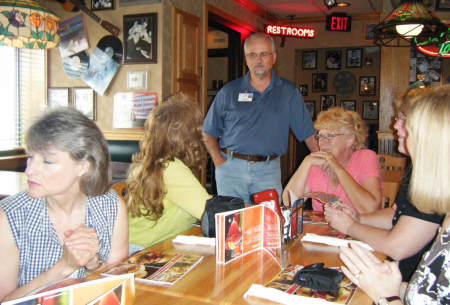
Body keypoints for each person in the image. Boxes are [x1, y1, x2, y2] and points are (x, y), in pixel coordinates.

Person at [0, 108, 128, 301]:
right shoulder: (10, 216)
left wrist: (93, 265)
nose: (30, 170)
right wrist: (65, 266)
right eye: (31, 157)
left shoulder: (112, 207)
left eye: (48, 161)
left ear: (83, 166)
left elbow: (119, 288)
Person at [339, 86, 450, 305]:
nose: (396, 125)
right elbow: (428, 291)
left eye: (406, 121)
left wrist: (386, 295)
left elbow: (398, 246)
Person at [203, 32, 318, 204]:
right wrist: (219, 161)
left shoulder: (288, 92)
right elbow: (208, 131)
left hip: (268, 171)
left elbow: (308, 133)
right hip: (230, 169)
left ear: (274, 57)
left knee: (268, 222)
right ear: (246, 59)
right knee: (232, 224)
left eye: (263, 54)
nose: (258, 60)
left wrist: (326, 162)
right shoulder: (229, 91)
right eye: (252, 55)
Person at [127, 93, 211, 251]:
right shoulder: (172, 169)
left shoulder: (153, 162)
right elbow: (210, 213)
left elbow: (197, 200)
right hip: (144, 250)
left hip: (138, 244)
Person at [283, 107, 382, 214]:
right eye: (320, 136)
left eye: (330, 135)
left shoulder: (365, 158)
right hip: (322, 230)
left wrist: (337, 168)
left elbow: (370, 209)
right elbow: (289, 203)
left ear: (350, 139)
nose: (322, 141)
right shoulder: (316, 164)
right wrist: (306, 162)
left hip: (355, 229)